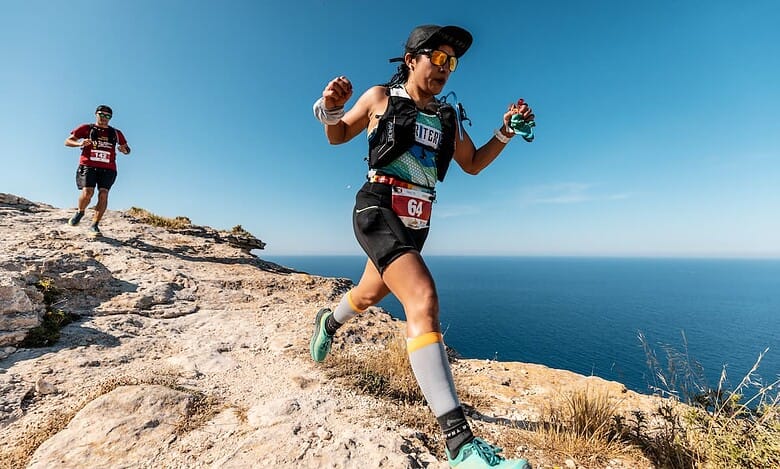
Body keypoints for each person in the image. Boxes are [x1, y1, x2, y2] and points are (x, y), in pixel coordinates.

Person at [309, 25, 535, 468]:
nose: (446, 69)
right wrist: (330, 108)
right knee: (422, 298)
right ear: (411, 59)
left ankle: (328, 323)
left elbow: (471, 165)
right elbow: (338, 136)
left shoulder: (447, 118)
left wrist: (505, 132)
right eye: (438, 57)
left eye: (453, 63)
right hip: (376, 207)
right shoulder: (380, 98)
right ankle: (461, 447)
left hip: (416, 221)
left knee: (371, 293)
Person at [64, 105, 131, 236]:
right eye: (102, 114)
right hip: (88, 165)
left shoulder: (116, 133)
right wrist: (80, 144)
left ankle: (94, 225)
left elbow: (127, 149)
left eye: (108, 116)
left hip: (108, 168)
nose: (104, 118)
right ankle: (80, 212)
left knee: (104, 194)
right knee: (88, 192)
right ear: (96, 114)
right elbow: (68, 141)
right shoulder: (86, 128)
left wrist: (124, 150)